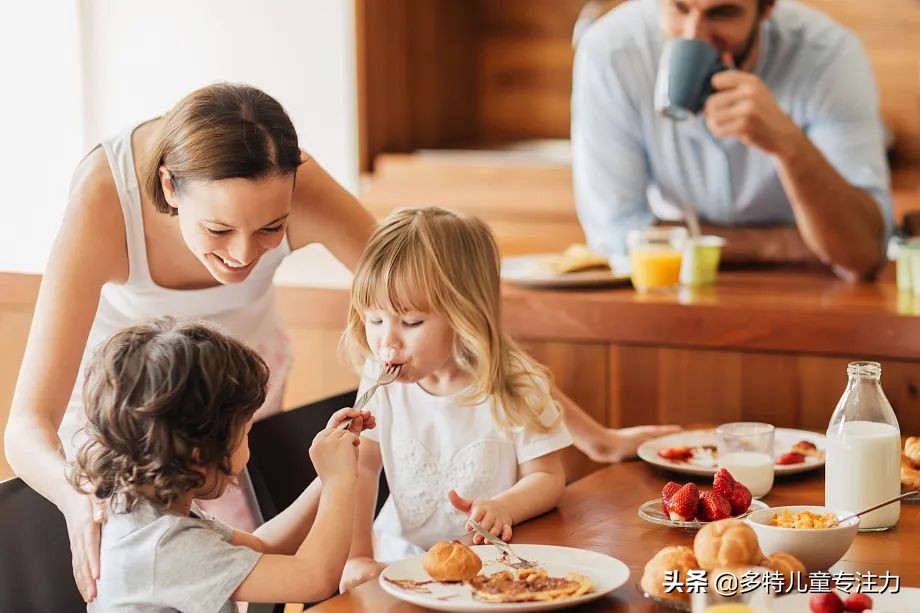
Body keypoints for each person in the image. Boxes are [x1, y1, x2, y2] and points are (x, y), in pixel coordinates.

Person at [4, 82, 673, 603]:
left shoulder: (295, 178)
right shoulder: (104, 196)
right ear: (170, 189)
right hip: (135, 411)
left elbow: (452, 311)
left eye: (271, 229)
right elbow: (25, 424)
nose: (243, 257)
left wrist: (595, 436)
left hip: (240, 391)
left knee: (229, 565)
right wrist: (75, 497)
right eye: (218, 231)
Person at [337, 207, 575, 591]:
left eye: (411, 322)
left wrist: (505, 507)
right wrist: (358, 554)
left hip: (495, 563)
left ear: (465, 313)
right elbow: (363, 469)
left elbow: (548, 477)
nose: (387, 341)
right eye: (375, 319)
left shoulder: (514, 382)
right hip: (404, 560)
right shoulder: (380, 380)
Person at [572, 0, 893, 280]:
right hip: (677, 288)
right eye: (679, 7)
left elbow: (863, 253)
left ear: (767, 8)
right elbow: (616, 237)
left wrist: (789, 146)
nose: (693, 34)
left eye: (722, 12)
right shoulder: (611, 51)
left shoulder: (829, 56)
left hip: (806, 295)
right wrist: (787, 244)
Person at [70, 318, 369, 611]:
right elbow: (313, 578)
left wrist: (326, 478)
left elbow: (260, 546)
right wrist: (339, 481)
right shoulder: (165, 546)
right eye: (246, 433)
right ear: (202, 455)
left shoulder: (149, 508)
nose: (248, 443)